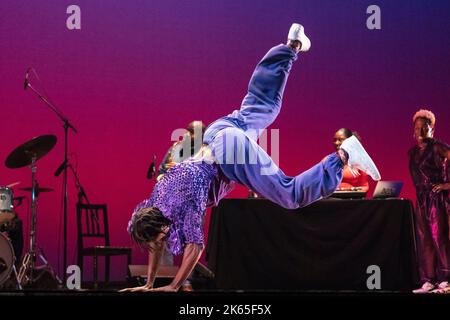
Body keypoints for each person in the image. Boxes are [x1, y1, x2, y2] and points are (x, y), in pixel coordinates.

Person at [120, 23, 381, 292]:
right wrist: (149, 284)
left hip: (226, 154)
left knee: (288, 194)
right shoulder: (155, 198)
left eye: (158, 237)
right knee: (263, 103)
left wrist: (173, 287)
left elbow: (195, 246)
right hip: (218, 131)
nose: (159, 243)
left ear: (159, 225)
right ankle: (291, 46)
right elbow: (157, 242)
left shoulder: (181, 207)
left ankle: (344, 154)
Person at [409, 109, 450, 294]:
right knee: (424, 240)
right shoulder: (412, 152)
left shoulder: (438, 147)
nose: (420, 132)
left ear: (431, 128)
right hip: (422, 201)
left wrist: (447, 185)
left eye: (424, 128)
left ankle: (446, 280)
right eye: (417, 128)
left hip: (437, 201)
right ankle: (428, 279)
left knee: (439, 238)